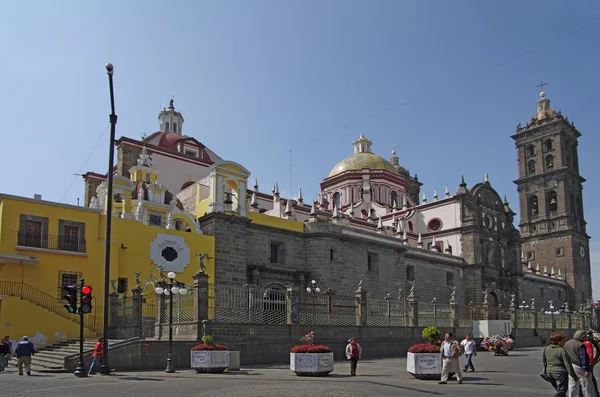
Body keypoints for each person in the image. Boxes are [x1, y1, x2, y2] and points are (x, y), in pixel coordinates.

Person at [543, 331, 578, 397]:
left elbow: (544, 361)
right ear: (558, 341)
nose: (565, 341)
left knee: (560, 391)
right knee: (561, 391)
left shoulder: (547, 349)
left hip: (550, 373)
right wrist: (574, 376)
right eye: (563, 340)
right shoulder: (562, 350)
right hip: (560, 373)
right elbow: (568, 365)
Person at [564, 330, 595, 397]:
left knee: (573, 383)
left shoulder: (567, 343)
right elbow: (584, 357)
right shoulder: (580, 345)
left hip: (571, 365)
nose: (586, 338)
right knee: (587, 384)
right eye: (585, 337)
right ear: (582, 337)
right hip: (579, 366)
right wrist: (586, 369)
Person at [583, 330, 599, 397]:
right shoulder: (589, 342)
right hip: (588, 362)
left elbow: (590, 354)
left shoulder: (587, 343)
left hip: (588, 363)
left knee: (590, 378)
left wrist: (590, 362)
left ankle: (595, 393)